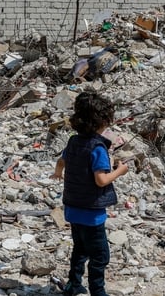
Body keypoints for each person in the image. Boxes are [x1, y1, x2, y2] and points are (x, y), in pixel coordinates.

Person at [52, 92, 128, 296]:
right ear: (101, 122)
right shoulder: (98, 148)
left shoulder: (74, 141)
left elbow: (61, 162)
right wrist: (120, 171)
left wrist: (58, 174)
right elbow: (101, 180)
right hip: (91, 214)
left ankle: (72, 285)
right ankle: (98, 291)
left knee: (80, 250)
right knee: (100, 256)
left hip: (72, 209)